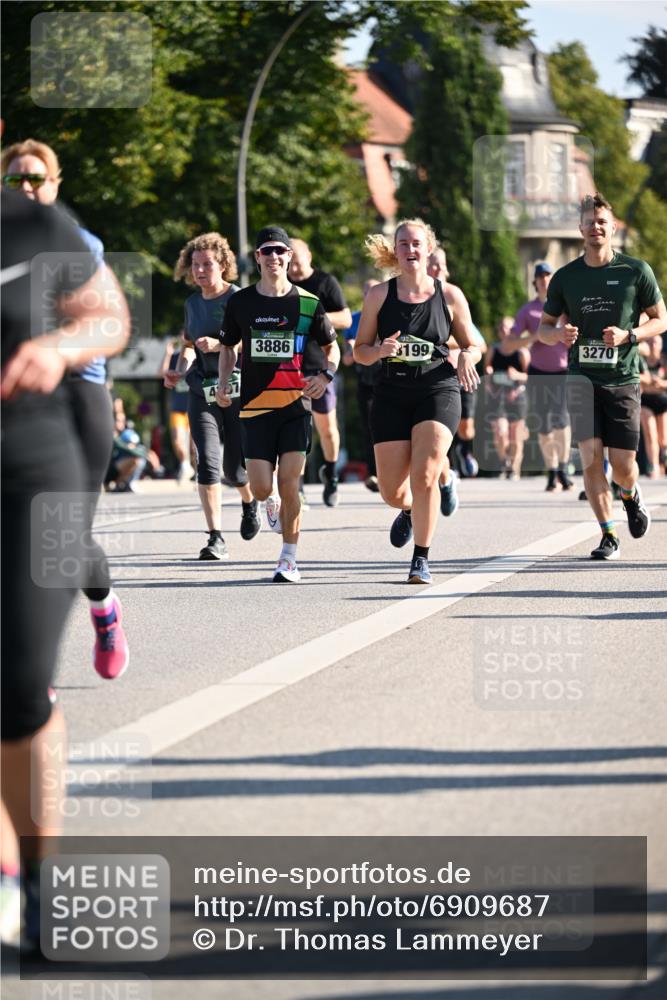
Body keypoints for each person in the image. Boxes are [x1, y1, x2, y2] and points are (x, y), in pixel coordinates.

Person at [1, 187, 130, 947]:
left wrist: (56, 347)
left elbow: (108, 316)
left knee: (18, 681)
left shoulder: (33, 226)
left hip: (31, 465)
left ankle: (42, 879)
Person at [2, 138, 129, 680]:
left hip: (77, 397)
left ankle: (102, 612)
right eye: (16, 180)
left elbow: (110, 321)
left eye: (37, 179)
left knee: (61, 538)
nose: (27, 188)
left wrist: (58, 346)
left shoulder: (77, 241)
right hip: (14, 402)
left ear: (54, 185)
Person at [538, 191, 667, 560]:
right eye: (589, 222)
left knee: (625, 466)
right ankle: (609, 534)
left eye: (601, 222)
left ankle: (629, 493)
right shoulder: (565, 277)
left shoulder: (635, 271)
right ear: (580, 229)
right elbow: (545, 329)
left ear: (612, 227)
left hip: (623, 378)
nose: (595, 227)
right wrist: (558, 335)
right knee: (591, 457)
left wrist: (631, 335)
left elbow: (662, 319)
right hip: (581, 379)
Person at [353, 218, 481, 585]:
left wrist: (465, 357)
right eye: (404, 243)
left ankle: (421, 558)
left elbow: (475, 344)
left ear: (429, 249)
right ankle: (409, 510)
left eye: (416, 243)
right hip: (391, 392)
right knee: (393, 492)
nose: (410, 249)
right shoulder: (379, 295)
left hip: (437, 389)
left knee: (424, 475)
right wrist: (379, 350)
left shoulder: (450, 295)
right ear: (396, 251)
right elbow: (359, 351)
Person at [216, 226, 339, 582]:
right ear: (257, 257)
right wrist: (225, 382)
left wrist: (325, 377)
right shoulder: (240, 303)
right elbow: (228, 347)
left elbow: (332, 348)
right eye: (266, 251)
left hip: (295, 407)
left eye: (279, 251)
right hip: (254, 408)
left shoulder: (307, 303)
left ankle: (289, 558)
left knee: (289, 482)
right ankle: (269, 504)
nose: (273, 257)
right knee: (261, 488)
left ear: (289, 256)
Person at [169, 233, 260, 560]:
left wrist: (221, 344)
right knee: (206, 463)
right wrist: (179, 369)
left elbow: (249, 344)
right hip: (201, 389)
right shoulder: (192, 304)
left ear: (223, 265)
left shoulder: (239, 299)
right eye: (195, 265)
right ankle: (215, 536)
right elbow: (189, 346)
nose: (200, 270)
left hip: (236, 388)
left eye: (207, 264)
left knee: (234, 470)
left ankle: (249, 503)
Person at [288, 238, 351, 507]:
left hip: (320, 363)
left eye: (296, 259)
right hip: (290, 367)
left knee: (326, 428)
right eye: (288, 260)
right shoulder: (282, 286)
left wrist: (316, 316)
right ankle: (298, 487)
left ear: (309, 256)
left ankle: (331, 473)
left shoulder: (325, 283)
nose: (292, 265)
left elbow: (346, 318)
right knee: (298, 431)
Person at [505, 262, 573, 491]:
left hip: (563, 371)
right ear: (535, 282)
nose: (544, 280)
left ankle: (563, 468)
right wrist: (535, 337)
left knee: (561, 420)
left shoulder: (565, 308)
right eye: (540, 276)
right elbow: (509, 343)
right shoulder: (528, 310)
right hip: (538, 372)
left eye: (548, 275)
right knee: (543, 425)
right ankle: (552, 472)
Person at [342, 279, 381, 491]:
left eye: (373, 291)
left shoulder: (388, 315)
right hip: (365, 378)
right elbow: (347, 359)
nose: (369, 296)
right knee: (369, 425)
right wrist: (355, 349)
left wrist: (372, 347)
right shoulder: (354, 320)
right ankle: (374, 473)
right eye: (366, 292)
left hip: (388, 376)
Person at [484, 317, 530, 480]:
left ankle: (514, 468)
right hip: (497, 396)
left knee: (515, 436)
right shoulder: (494, 349)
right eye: (502, 328)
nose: (505, 331)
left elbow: (529, 376)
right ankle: (505, 463)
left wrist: (517, 375)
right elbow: (487, 368)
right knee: (500, 431)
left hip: (517, 395)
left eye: (509, 328)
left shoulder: (522, 351)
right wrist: (489, 377)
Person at [159, 335, 194, 482]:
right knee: (178, 441)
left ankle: (201, 473)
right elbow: (160, 373)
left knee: (195, 447)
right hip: (178, 408)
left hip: (194, 405)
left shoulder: (196, 355)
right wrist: (167, 353)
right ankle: (185, 465)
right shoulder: (174, 358)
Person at [639, 335, 667, 478]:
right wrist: (647, 382)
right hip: (645, 401)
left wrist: (660, 384)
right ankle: (654, 465)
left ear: (661, 345)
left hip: (662, 401)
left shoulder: (664, 361)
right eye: (649, 342)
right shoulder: (641, 360)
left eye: (655, 342)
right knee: (650, 434)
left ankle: (664, 460)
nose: (652, 345)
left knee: (663, 439)